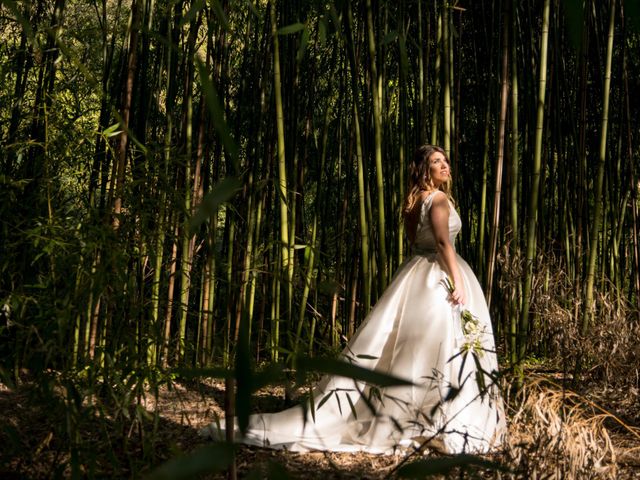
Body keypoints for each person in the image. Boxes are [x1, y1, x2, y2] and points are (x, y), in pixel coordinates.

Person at [201, 145, 506, 454]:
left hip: (416, 275)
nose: (445, 166)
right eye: (436, 161)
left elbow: (417, 242)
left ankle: (415, 416)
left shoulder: (414, 202)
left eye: (445, 161)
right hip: (439, 276)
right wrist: (457, 280)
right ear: (424, 169)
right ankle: (440, 418)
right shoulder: (438, 199)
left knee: (412, 350)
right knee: (445, 346)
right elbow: (442, 242)